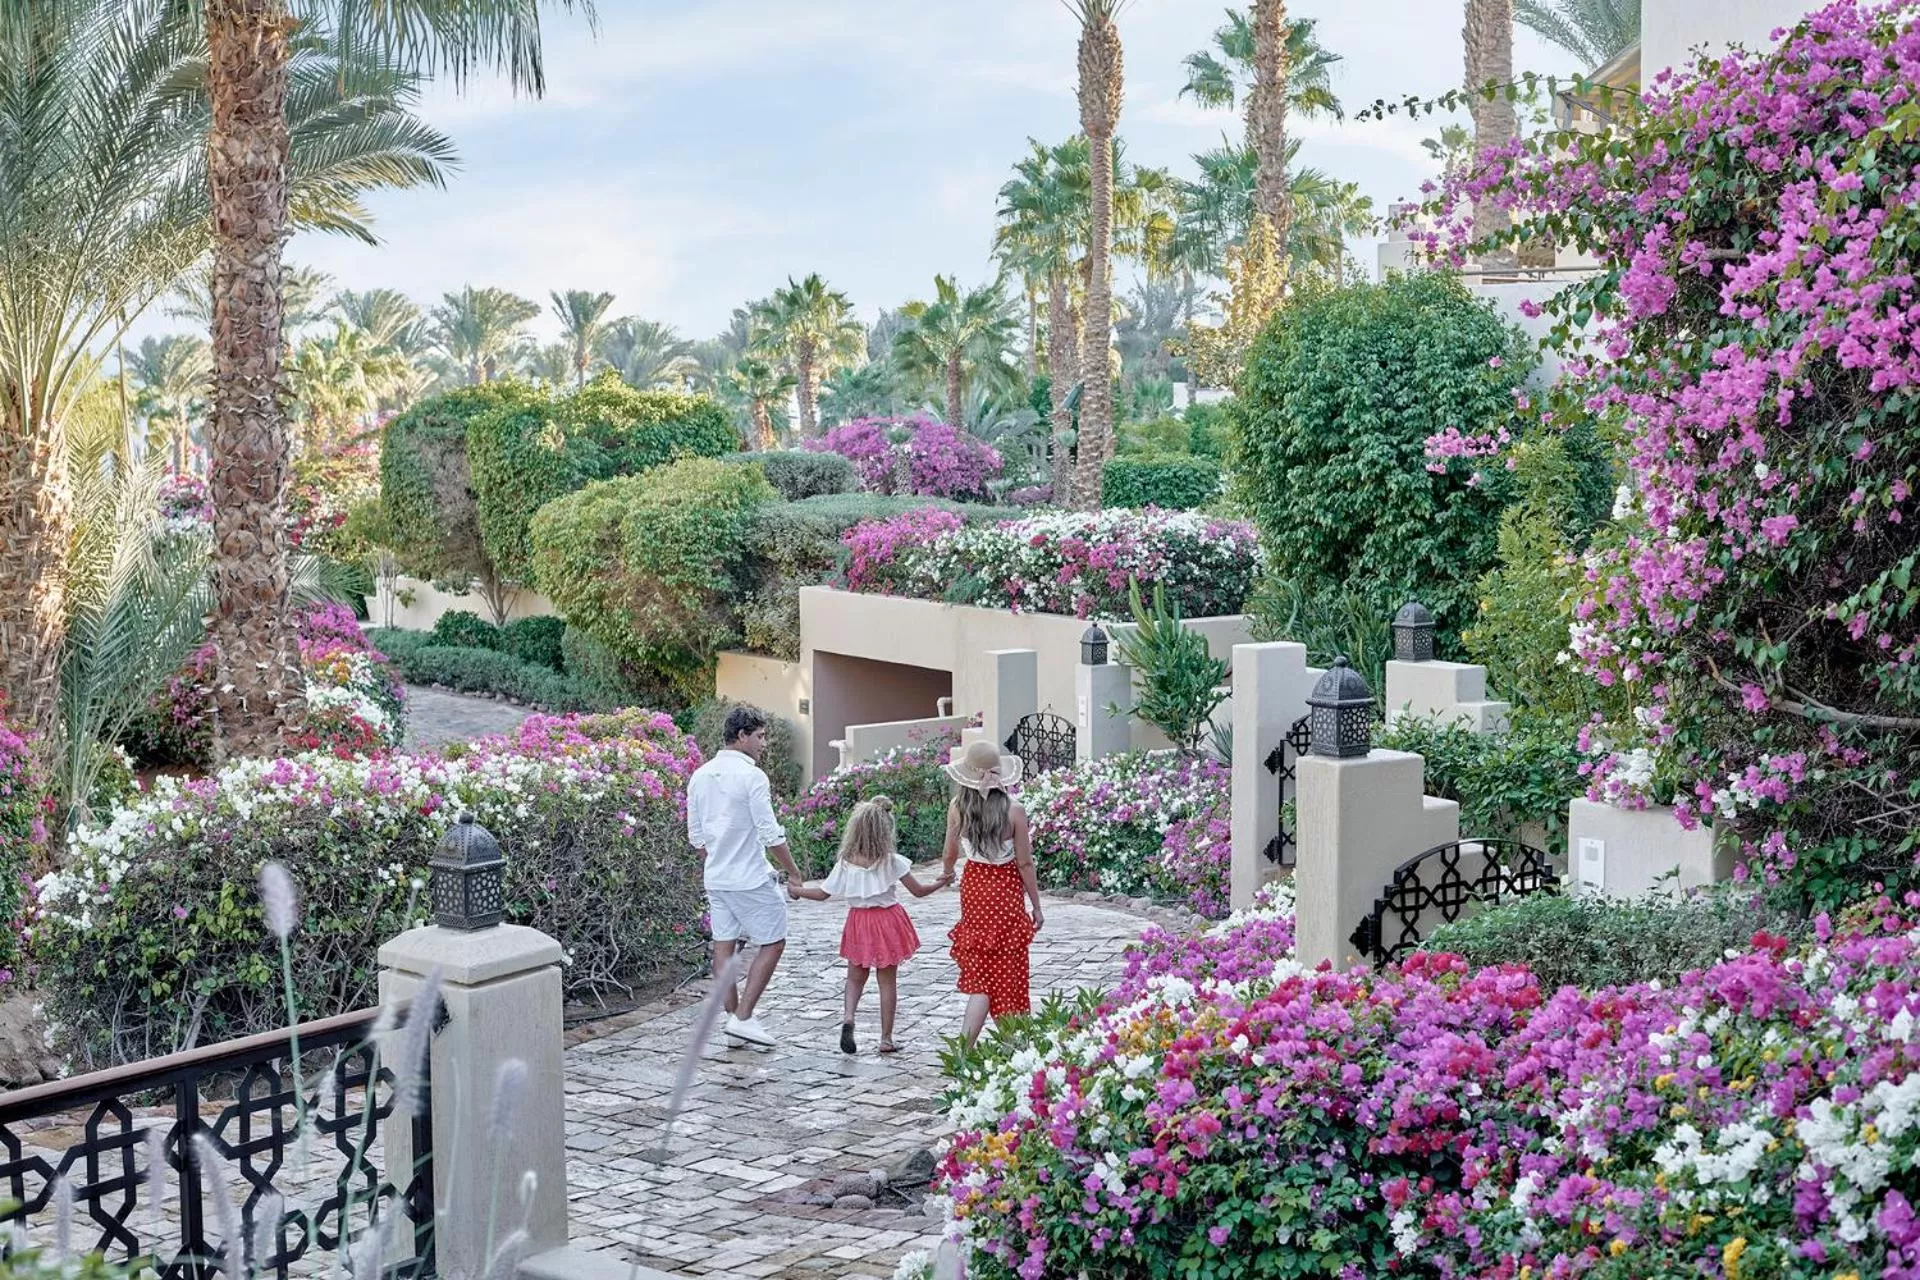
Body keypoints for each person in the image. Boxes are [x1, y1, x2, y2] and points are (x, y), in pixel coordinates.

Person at [685, 706, 808, 1048]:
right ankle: (742, 1018)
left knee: (723, 946)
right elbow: (770, 833)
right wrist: (794, 871)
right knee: (774, 941)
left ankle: (734, 1024)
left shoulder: (699, 776)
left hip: (717, 878)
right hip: (750, 878)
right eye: (760, 736)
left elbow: (696, 838)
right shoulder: (753, 777)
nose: (764, 744)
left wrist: (719, 861)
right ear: (741, 736)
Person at [790, 795, 951, 1054]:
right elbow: (918, 891)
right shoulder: (892, 861)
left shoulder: (846, 863)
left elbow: (822, 893)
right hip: (887, 921)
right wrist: (940, 882)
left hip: (858, 922)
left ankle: (848, 1018)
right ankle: (886, 1039)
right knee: (887, 982)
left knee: (855, 978)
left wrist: (797, 890)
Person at [940, 740, 1044, 1047]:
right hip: (1005, 890)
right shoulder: (1015, 810)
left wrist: (947, 873)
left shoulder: (958, 807)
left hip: (975, 888)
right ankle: (1015, 1044)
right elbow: (1024, 863)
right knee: (1008, 968)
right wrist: (1036, 906)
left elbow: (949, 853)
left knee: (982, 976)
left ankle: (963, 1050)